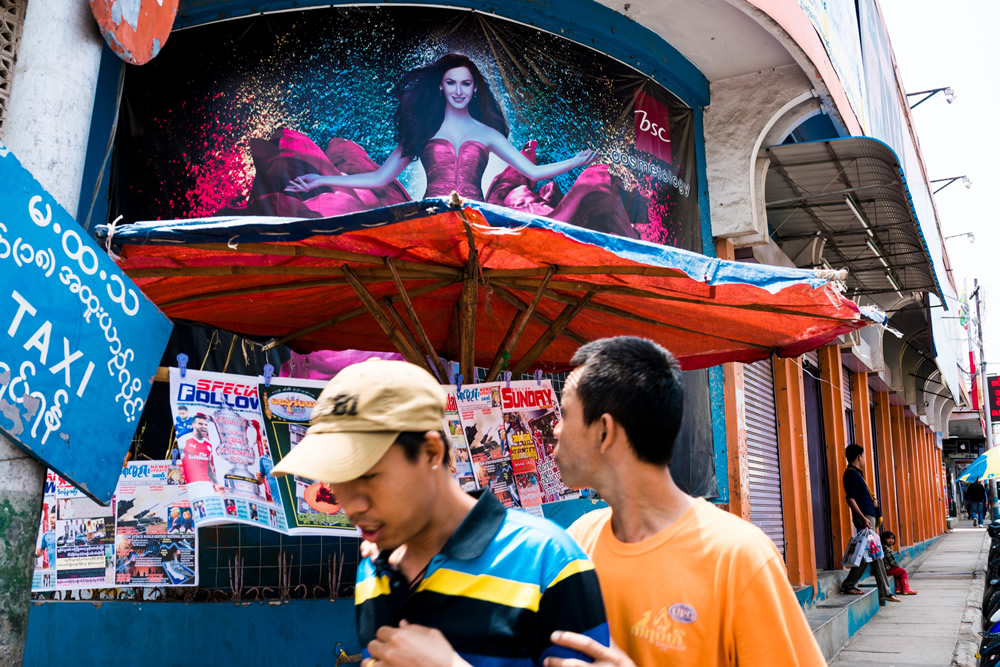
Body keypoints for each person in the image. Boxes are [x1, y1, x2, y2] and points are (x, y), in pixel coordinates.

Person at [270, 359, 609, 666]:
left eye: (369, 476)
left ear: (432, 452)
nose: (352, 506)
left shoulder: (548, 561)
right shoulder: (372, 572)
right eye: (338, 481)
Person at [547, 336, 825, 666]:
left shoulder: (738, 557)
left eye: (564, 413)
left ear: (605, 432)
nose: (554, 428)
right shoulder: (577, 543)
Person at [227, 53, 636, 238]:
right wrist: (318, 180)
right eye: (452, 83)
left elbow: (531, 173)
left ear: (474, 89)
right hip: (431, 216)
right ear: (441, 86)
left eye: (466, 84)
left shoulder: (487, 134)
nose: (459, 90)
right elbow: (380, 177)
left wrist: (574, 162)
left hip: (479, 220)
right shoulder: (421, 133)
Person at [840, 444, 899, 604]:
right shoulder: (851, 474)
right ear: (859, 456)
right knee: (875, 553)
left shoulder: (857, 474)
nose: (865, 459)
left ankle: (849, 584)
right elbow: (850, 499)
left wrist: (872, 503)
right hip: (865, 518)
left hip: (868, 516)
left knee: (867, 554)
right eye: (864, 456)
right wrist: (863, 517)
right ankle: (884, 591)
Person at [180, 413, 221, 489]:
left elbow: (209, 469)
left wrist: (217, 485)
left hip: (205, 485)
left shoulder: (208, 445)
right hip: (189, 486)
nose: (204, 427)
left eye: (205, 425)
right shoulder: (183, 440)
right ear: (193, 425)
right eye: (200, 424)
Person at [880, 531, 916, 595]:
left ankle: (898, 589)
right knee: (902, 571)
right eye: (888, 538)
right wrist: (897, 566)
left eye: (892, 539)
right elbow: (891, 561)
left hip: (885, 569)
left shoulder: (883, 547)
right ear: (883, 539)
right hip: (887, 569)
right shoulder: (886, 548)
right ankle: (906, 588)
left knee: (897, 573)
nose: (891, 540)